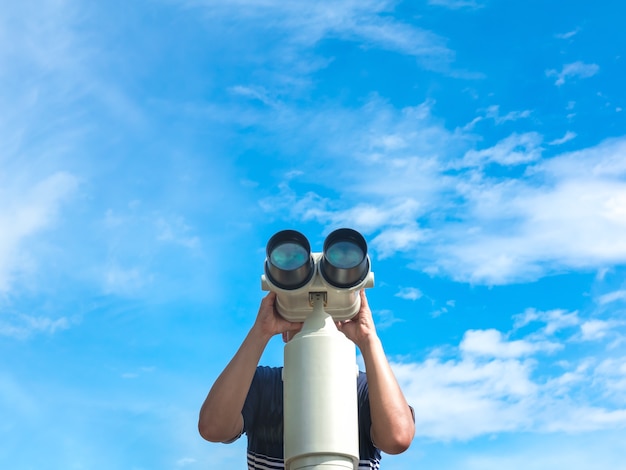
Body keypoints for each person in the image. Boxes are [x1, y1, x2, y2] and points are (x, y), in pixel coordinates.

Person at [198, 290, 415, 469]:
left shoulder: (366, 390)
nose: (316, 318)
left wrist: (368, 338)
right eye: (302, 315)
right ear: (284, 333)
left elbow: (397, 437)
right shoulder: (263, 385)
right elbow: (213, 427)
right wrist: (260, 331)